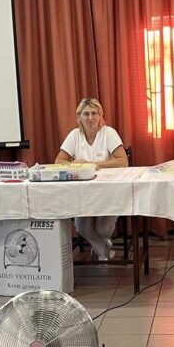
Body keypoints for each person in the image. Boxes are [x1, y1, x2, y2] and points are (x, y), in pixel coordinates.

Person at [55, 98, 129, 261]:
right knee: (82, 227)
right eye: (86, 114)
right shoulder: (74, 135)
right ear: (79, 117)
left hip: (109, 191)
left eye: (94, 113)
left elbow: (123, 161)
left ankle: (100, 249)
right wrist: (74, 164)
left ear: (100, 116)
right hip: (83, 193)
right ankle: (104, 250)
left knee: (103, 229)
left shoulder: (109, 133)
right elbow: (59, 161)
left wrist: (91, 165)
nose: (90, 118)